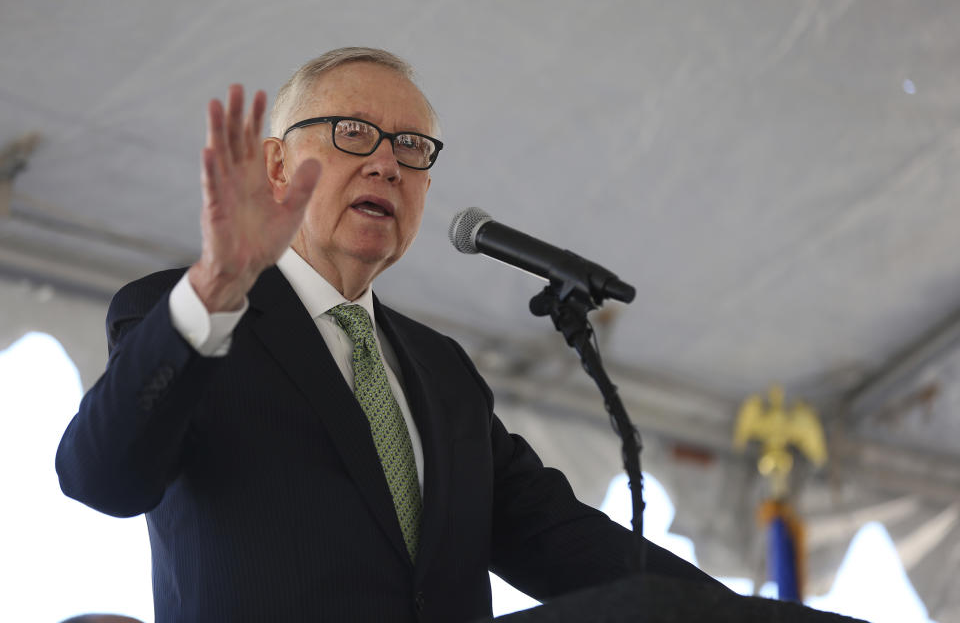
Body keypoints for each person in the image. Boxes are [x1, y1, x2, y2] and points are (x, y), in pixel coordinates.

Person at [56, 47, 718, 623]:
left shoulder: (444, 371)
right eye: (352, 132)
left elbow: (563, 538)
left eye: (411, 146)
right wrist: (215, 288)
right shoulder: (182, 315)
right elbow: (101, 478)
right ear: (277, 166)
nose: (385, 164)